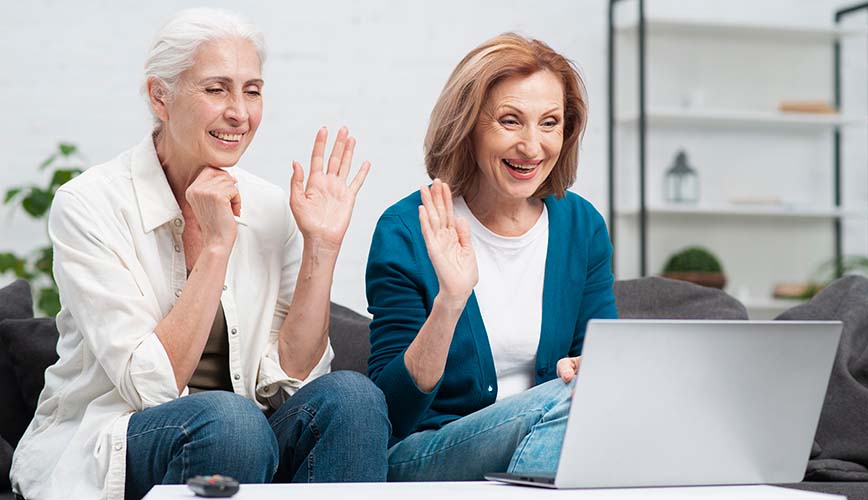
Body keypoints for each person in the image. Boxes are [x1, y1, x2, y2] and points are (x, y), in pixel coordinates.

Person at [11, 8, 389, 500]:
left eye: (252, 90)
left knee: (354, 398)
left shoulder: (271, 207)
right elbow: (148, 387)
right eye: (216, 89)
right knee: (233, 421)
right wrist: (216, 244)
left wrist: (322, 245)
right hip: (124, 437)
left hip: (247, 433)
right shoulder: (89, 204)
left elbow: (292, 381)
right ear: (160, 97)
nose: (240, 112)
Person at [366, 33, 617, 481]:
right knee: (567, 402)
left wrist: (585, 368)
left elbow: (605, 366)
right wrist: (451, 301)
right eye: (510, 121)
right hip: (426, 452)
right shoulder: (407, 229)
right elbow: (391, 412)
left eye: (549, 123)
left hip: (550, 435)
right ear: (468, 126)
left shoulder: (582, 228)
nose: (532, 146)